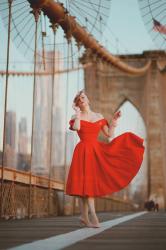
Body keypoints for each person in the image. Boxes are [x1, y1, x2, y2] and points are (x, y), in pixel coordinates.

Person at [65, 89, 145, 228]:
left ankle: (86, 216)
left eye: (83, 97)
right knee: (83, 186)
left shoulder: (99, 116)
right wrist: (77, 113)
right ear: (77, 104)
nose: (81, 100)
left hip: (95, 151)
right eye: (78, 99)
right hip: (82, 151)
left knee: (88, 184)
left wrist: (113, 121)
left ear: (88, 100)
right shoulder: (75, 116)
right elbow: (76, 127)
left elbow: (109, 134)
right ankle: (88, 217)